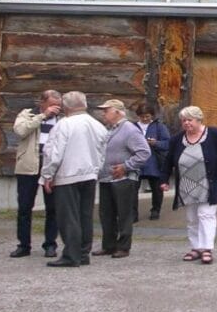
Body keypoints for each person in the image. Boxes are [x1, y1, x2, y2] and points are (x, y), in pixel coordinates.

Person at [40, 91, 108, 267]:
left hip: (67, 175)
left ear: (66, 107)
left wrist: (47, 174)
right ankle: (83, 253)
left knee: (68, 217)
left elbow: (54, 153)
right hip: (90, 174)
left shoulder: (64, 125)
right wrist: (96, 170)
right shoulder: (97, 125)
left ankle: (72, 254)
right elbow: (102, 152)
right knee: (85, 215)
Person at [162, 106, 217, 265]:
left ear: (199, 120)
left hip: (210, 183)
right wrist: (164, 180)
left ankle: (207, 248)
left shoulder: (215, 134)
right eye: (183, 121)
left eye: (189, 120)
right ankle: (196, 248)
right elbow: (168, 160)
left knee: (206, 215)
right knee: (192, 218)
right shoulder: (176, 139)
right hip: (187, 185)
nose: (186, 123)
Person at [94, 99, 150, 259]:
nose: (103, 114)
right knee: (106, 213)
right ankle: (109, 245)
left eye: (107, 111)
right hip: (106, 177)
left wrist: (126, 166)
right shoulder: (109, 129)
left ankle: (124, 246)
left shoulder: (130, 129)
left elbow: (144, 152)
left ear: (118, 112)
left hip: (123, 178)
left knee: (124, 213)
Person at [9, 90, 61, 259]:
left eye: (58, 105)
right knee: (25, 207)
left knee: (53, 208)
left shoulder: (62, 120)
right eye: (52, 105)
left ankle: (50, 245)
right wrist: (42, 116)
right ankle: (23, 245)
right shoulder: (27, 114)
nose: (56, 108)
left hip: (51, 167)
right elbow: (20, 131)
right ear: (42, 102)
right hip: (28, 166)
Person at [134, 103, 170, 220]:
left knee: (157, 188)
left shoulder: (159, 126)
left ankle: (155, 210)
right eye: (142, 116)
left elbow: (168, 143)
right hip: (136, 162)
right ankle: (133, 213)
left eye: (147, 116)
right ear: (138, 116)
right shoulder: (133, 127)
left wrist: (156, 143)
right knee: (132, 190)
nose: (145, 119)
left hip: (154, 162)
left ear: (152, 115)